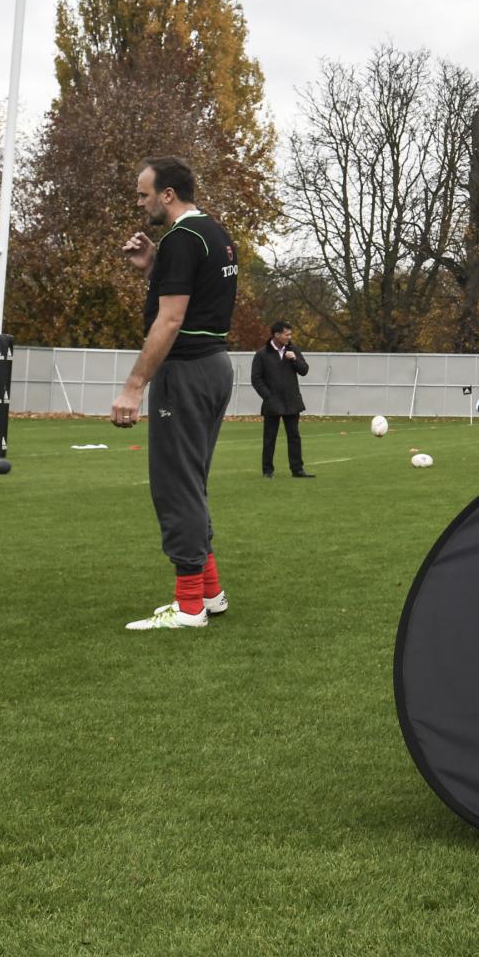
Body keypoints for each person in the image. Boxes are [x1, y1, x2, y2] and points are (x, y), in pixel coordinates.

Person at [110, 156, 240, 631]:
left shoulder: (183, 239)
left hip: (186, 373)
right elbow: (198, 298)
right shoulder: (214, 233)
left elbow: (171, 319)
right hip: (214, 367)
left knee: (174, 485)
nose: (140, 201)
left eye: (145, 193)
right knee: (192, 481)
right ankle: (210, 591)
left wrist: (133, 386)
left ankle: (188, 609)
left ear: (168, 194)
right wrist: (154, 267)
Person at [251, 321, 312, 479]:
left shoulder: (293, 350)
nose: (289, 337)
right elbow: (256, 379)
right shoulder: (262, 354)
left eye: (290, 334)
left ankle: (297, 469)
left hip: (292, 400)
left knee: (294, 436)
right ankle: (267, 470)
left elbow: (304, 370)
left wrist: (295, 360)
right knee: (269, 438)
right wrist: (268, 396)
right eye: (287, 334)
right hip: (272, 402)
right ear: (276, 335)